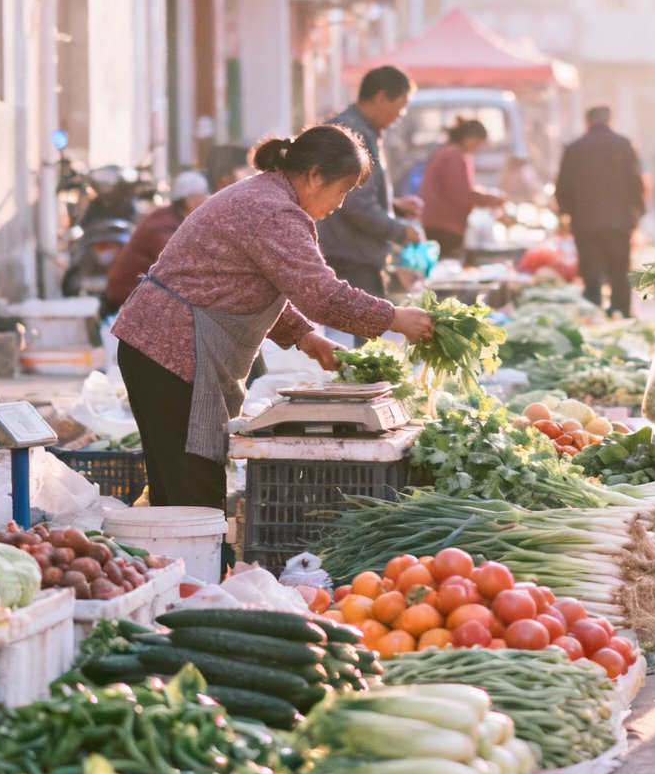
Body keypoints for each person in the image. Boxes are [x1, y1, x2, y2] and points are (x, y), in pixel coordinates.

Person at [114, 126, 436, 508]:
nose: (340, 203)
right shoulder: (273, 211)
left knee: (179, 488)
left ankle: (184, 563)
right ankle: (196, 566)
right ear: (315, 175)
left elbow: (253, 281)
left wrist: (305, 336)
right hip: (172, 350)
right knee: (194, 493)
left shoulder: (266, 196)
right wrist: (396, 319)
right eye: (342, 190)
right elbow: (324, 296)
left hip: (158, 345)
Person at [317, 66, 424, 299]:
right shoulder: (354, 131)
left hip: (354, 251)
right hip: (350, 256)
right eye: (401, 107)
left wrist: (393, 206)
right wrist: (398, 231)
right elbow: (354, 202)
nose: (399, 116)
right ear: (381, 97)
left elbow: (357, 192)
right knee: (365, 329)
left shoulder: (363, 129)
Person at [555, 107, 647, 317]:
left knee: (591, 272)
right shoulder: (623, 144)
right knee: (619, 271)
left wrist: (564, 214)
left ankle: (593, 314)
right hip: (618, 221)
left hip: (585, 222)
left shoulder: (574, 148)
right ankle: (621, 312)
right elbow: (636, 182)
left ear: (586, 121)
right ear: (609, 119)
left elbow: (562, 186)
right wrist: (637, 211)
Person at [107, 170, 211, 311]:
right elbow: (177, 266)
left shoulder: (170, 219)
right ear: (190, 201)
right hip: (128, 297)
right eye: (204, 197)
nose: (208, 201)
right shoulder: (164, 225)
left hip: (139, 294)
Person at [419, 119, 507, 262]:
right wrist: (488, 199)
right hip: (444, 224)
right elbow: (459, 192)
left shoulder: (450, 152)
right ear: (470, 138)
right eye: (478, 142)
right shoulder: (454, 154)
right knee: (447, 265)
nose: (478, 147)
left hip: (438, 221)